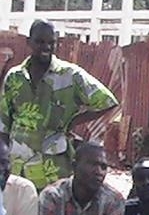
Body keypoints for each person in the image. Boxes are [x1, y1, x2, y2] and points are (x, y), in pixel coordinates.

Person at [0, 19, 119, 190]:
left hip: (53, 166)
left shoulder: (70, 75)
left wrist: (74, 121)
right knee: (20, 204)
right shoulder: (14, 77)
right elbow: (3, 122)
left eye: (51, 43)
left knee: (53, 204)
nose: (46, 47)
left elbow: (107, 101)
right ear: (29, 42)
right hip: (18, 164)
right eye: (40, 42)